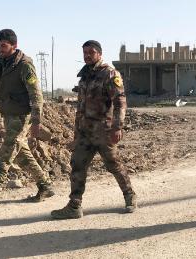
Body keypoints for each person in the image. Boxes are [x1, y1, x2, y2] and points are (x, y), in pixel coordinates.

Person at [0, 29, 54, 215]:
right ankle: (45, 186)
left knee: (3, 158)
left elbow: (36, 95)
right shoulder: (3, 64)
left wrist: (36, 121)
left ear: (14, 45)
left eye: (4, 45)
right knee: (22, 156)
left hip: (22, 118)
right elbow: (0, 94)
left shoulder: (25, 65)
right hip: (9, 116)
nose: (0, 49)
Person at [51, 40, 137, 219]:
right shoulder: (85, 76)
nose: (87, 55)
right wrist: (76, 134)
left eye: (91, 52)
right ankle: (74, 206)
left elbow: (120, 102)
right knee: (77, 165)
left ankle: (130, 196)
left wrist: (117, 127)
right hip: (85, 132)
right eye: (84, 53)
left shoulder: (109, 73)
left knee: (113, 164)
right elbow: (80, 108)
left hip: (104, 131)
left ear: (99, 53)